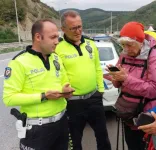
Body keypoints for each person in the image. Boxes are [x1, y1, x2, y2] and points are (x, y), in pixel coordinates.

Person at [3, 19, 74, 150]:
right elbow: (9, 98)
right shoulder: (19, 62)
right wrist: (43, 96)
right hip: (37, 130)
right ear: (38, 37)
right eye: (52, 37)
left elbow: (64, 82)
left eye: (57, 37)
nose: (57, 41)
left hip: (62, 123)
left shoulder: (56, 58)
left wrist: (66, 90)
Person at [55, 10, 111, 150]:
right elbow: (56, 75)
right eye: (73, 28)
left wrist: (101, 90)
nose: (78, 31)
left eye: (80, 26)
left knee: (103, 138)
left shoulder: (91, 44)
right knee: (75, 141)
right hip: (73, 103)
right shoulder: (57, 48)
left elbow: (97, 68)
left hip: (94, 98)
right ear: (63, 29)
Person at [106, 22, 156, 150]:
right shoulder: (124, 56)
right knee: (132, 144)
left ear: (140, 41)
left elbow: (154, 90)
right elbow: (118, 83)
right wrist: (115, 77)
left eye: (129, 45)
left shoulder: (155, 57)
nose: (126, 49)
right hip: (128, 113)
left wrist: (126, 79)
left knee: (144, 146)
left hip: (147, 115)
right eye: (123, 45)